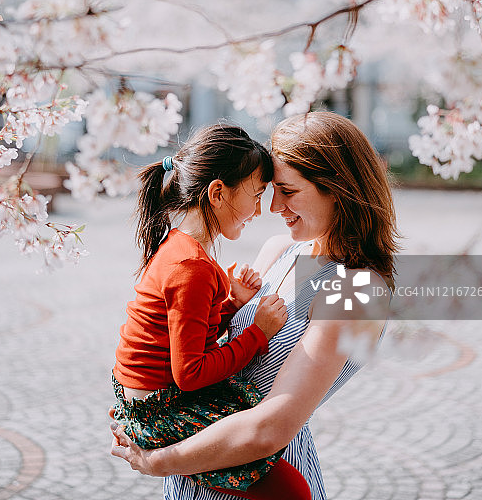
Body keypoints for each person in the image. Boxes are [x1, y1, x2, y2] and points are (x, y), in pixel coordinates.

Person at [111, 111, 399, 499]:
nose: (275, 206)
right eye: (270, 189)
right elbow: (199, 349)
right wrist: (147, 403)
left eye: (289, 191)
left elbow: (271, 427)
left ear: (337, 189)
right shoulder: (278, 250)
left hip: (261, 474)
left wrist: (157, 459)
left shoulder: (358, 288)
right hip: (195, 468)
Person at [111, 122, 312, 500]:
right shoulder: (192, 268)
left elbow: (184, 332)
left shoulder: (182, 248)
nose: (260, 209)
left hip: (147, 400)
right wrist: (259, 333)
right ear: (218, 193)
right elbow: (189, 373)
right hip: (160, 409)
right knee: (292, 489)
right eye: (256, 195)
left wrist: (231, 305)